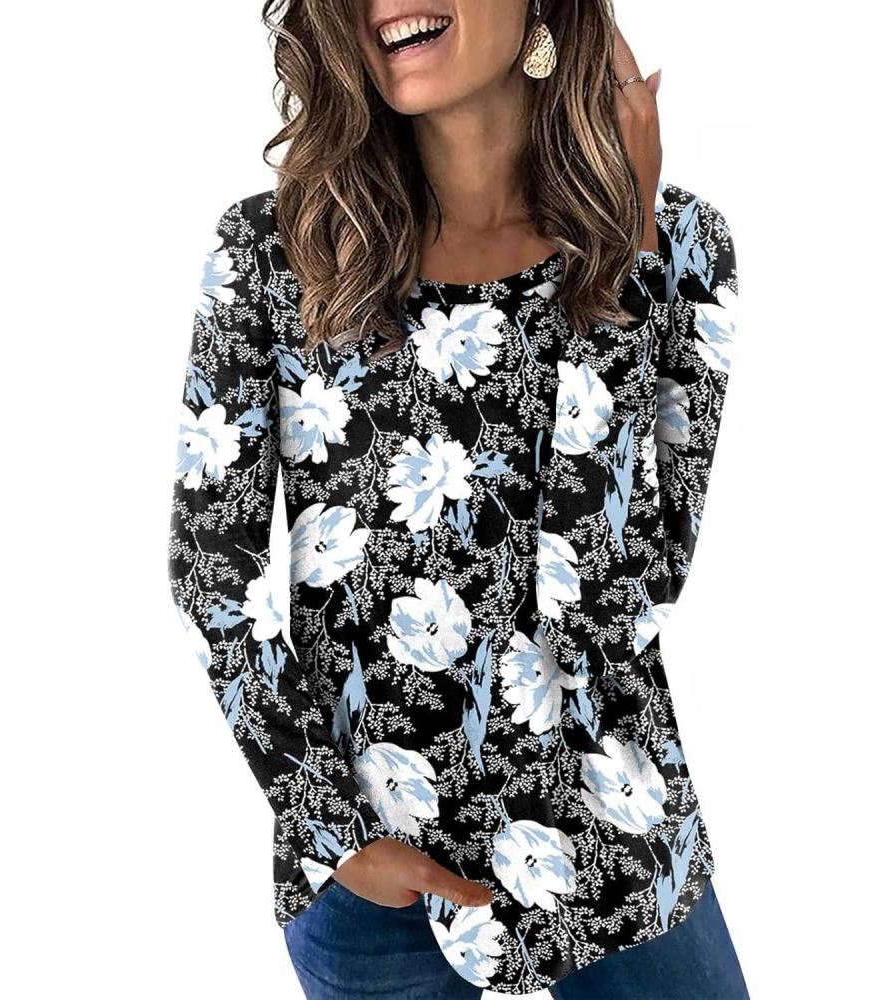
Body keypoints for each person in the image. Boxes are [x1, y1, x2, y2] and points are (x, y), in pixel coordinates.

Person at [167, 1, 747, 996]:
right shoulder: (275, 251)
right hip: (371, 878)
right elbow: (213, 567)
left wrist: (627, 252)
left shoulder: (680, 246)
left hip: (615, 839)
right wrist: (334, 831)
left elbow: (625, 597)